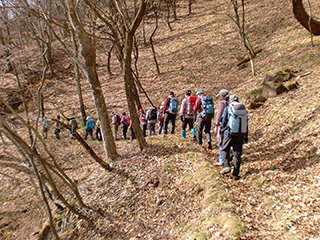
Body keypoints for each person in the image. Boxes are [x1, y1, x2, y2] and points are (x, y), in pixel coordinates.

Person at [220, 95, 248, 180]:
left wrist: (223, 130)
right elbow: (246, 123)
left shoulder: (228, 108)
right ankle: (235, 174)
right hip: (241, 134)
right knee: (237, 154)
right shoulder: (243, 110)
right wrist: (246, 135)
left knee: (224, 149)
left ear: (231, 101)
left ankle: (226, 166)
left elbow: (224, 121)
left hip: (230, 133)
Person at [214, 89, 229, 165]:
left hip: (222, 125)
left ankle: (221, 160)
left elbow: (219, 115)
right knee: (227, 141)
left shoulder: (222, 103)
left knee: (221, 141)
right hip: (230, 125)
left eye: (220, 96)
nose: (219, 97)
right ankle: (229, 153)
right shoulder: (231, 102)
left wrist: (216, 125)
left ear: (222, 96)